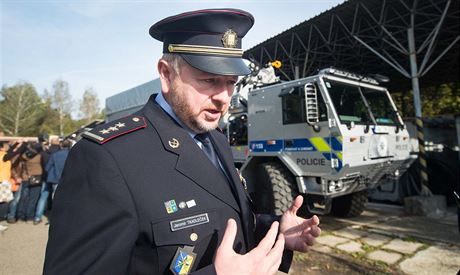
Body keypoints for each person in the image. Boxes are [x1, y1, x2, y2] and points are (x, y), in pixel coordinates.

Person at [44, 8, 321, 275]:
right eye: (210, 80)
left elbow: (223, 220)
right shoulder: (106, 158)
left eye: (231, 82)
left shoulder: (216, 140)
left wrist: (275, 231)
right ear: (166, 74)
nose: (224, 97)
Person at [34, 139, 71, 224]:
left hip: (52, 178)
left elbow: (47, 167)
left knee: (45, 197)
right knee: (59, 199)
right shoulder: (70, 154)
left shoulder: (55, 154)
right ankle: (55, 219)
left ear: (61, 145)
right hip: (63, 179)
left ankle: (37, 217)